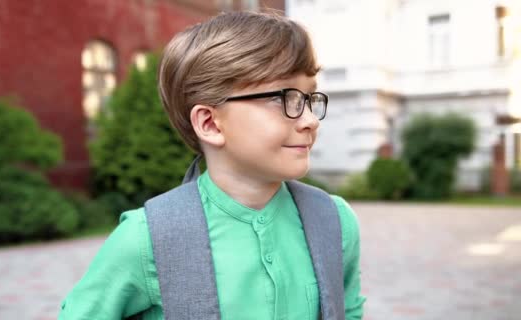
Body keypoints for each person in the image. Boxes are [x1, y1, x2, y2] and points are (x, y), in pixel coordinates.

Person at [59, 10, 366, 320]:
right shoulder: (148, 238)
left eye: (309, 96)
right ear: (210, 123)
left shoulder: (334, 221)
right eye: (283, 97)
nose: (311, 120)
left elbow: (347, 311)